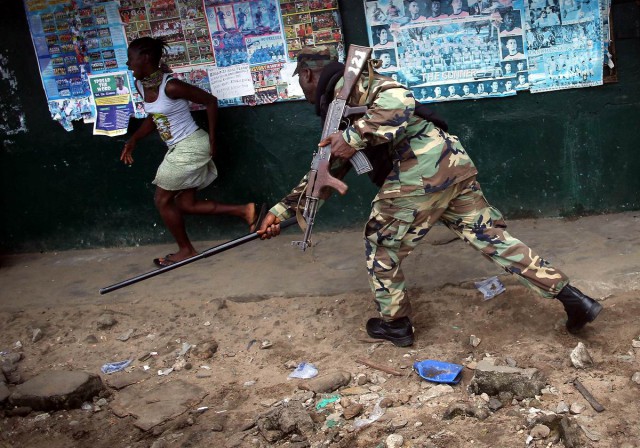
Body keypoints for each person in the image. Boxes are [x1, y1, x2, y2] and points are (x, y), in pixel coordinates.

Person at [258, 45, 603, 346]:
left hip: (420, 171)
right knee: (492, 238)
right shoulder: (336, 107)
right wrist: (282, 212)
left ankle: (394, 325)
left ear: (306, 74)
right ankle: (573, 299)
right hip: (448, 165)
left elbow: (399, 100)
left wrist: (353, 138)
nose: (300, 88)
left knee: (381, 244)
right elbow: (327, 170)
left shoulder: (357, 85)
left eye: (299, 79)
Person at [122, 37, 261, 267]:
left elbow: (210, 101)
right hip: (177, 149)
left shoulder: (171, 86)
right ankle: (246, 211)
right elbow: (155, 117)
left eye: (130, 59)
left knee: (162, 199)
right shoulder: (140, 86)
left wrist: (213, 139)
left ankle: (186, 250)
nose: (128, 64)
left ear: (145, 58)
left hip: (192, 146)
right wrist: (134, 139)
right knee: (186, 204)